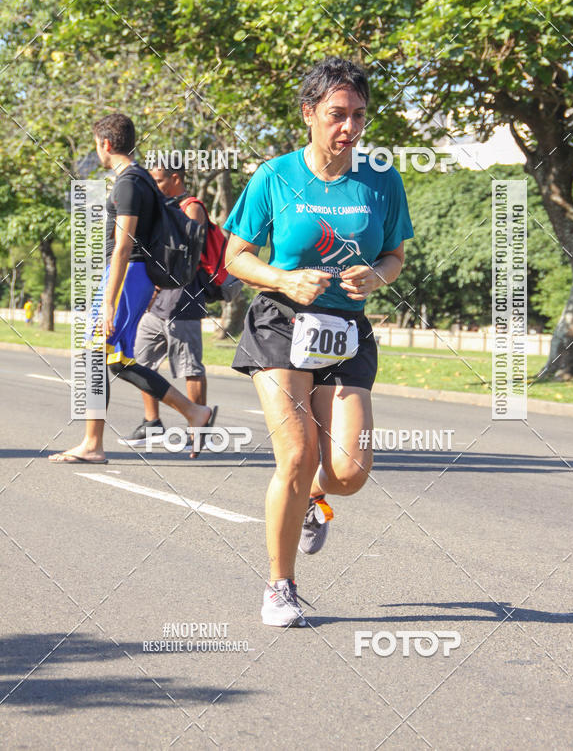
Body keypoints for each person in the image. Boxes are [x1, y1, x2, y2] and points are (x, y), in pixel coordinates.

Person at [224, 57, 413, 626]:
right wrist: (284, 278)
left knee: (350, 471)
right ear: (309, 113)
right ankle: (280, 586)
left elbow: (396, 255)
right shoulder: (275, 176)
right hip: (281, 322)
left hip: (347, 328)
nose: (349, 128)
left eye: (358, 115)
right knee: (298, 454)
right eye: (336, 115)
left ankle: (312, 500)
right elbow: (235, 256)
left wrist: (376, 276)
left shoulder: (381, 178)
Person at [49, 113, 216, 464]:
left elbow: (124, 244)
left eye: (97, 146)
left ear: (106, 144)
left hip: (126, 274)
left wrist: (108, 302)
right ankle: (192, 412)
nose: (98, 152)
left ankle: (93, 445)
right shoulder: (141, 180)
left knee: (94, 355)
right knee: (116, 362)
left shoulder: (128, 183)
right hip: (132, 276)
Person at [119, 163, 211, 458]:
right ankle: (152, 423)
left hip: (183, 300)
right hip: (157, 301)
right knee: (136, 360)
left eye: (159, 181)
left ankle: (198, 431)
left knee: (189, 367)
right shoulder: (163, 206)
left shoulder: (192, 206)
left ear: (175, 178)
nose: (155, 187)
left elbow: (185, 256)